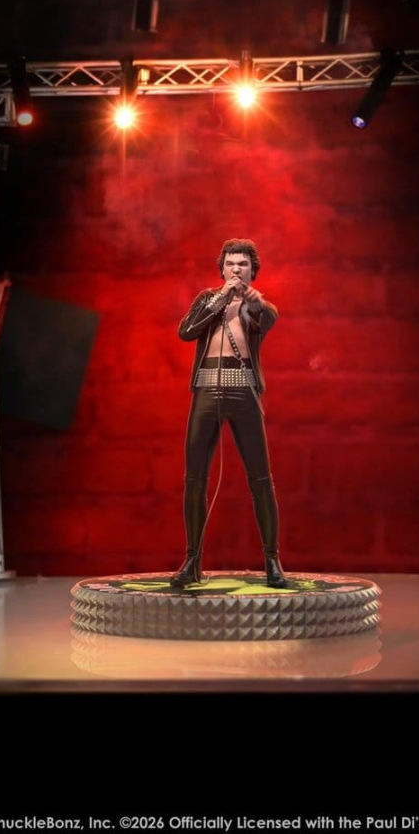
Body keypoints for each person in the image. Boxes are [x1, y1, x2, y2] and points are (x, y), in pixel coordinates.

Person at [171, 238, 290, 589]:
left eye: (243, 264)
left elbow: (267, 320)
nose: (236, 269)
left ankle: (272, 560)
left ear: (252, 270)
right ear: (222, 268)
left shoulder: (258, 305)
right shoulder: (208, 299)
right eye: (230, 263)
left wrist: (255, 301)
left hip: (243, 389)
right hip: (206, 389)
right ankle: (192, 561)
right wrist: (222, 297)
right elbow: (185, 331)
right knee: (194, 478)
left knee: (261, 478)